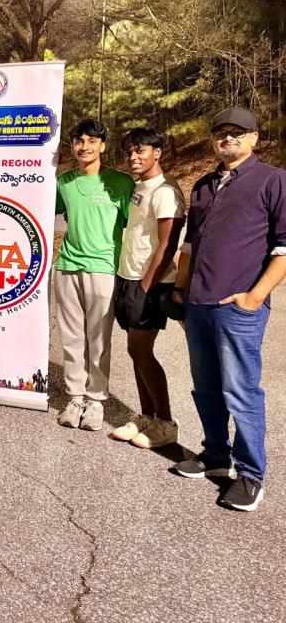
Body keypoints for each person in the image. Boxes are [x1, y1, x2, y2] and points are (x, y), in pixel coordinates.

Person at [171, 107, 286, 512]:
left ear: (254, 138)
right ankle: (216, 456)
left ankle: (251, 475)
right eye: (221, 132)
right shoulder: (204, 185)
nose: (228, 138)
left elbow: (285, 247)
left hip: (238, 307)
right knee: (205, 386)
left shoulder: (273, 180)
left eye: (238, 131)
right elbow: (190, 245)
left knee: (240, 390)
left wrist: (254, 297)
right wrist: (181, 291)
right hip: (198, 304)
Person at [53, 118, 134, 432]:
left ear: (102, 145)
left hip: (103, 269)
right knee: (72, 338)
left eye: (91, 141)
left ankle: (96, 400)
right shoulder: (64, 181)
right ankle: (75, 398)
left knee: (98, 339)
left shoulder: (121, 182)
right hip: (67, 266)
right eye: (78, 141)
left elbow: (135, 227)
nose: (84, 147)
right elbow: (44, 210)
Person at [109, 128, 185, 449]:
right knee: (134, 351)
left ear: (158, 152)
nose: (133, 157)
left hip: (150, 283)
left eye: (140, 150)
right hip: (128, 277)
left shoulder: (166, 191)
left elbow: (168, 245)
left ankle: (166, 423)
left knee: (142, 351)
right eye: (129, 151)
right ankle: (146, 416)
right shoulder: (139, 186)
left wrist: (145, 285)